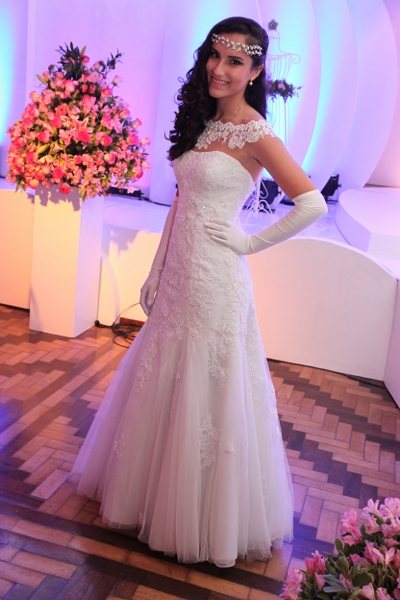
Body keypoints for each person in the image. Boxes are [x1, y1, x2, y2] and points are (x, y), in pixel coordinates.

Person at [73, 16, 327, 568]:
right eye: (215, 55)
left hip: (216, 280)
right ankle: (151, 496)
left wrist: (250, 243)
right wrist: (156, 268)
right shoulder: (205, 122)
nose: (219, 68)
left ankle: (204, 518)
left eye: (235, 61)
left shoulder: (256, 133)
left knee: (208, 389)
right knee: (163, 375)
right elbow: (181, 205)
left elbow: (311, 203)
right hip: (180, 275)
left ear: (255, 70)